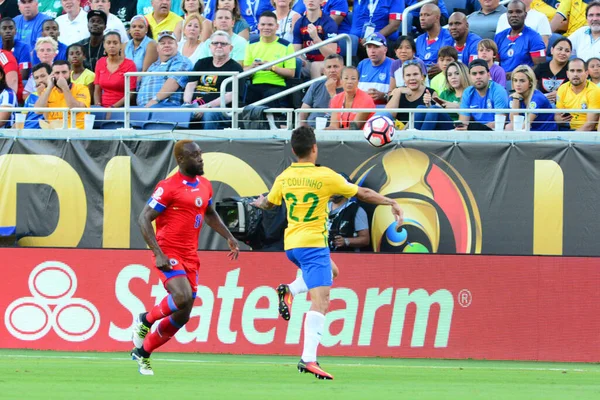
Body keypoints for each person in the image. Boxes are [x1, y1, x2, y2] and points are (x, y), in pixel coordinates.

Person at [250, 125, 403, 380]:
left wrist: (258, 202)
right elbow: (362, 193)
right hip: (313, 245)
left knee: (334, 271)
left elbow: (269, 202)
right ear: (314, 148)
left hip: (292, 246)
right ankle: (308, 359)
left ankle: (290, 289)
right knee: (321, 301)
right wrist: (391, 202)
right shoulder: (324, 176)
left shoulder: (284, 177)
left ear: (292, 150)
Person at [131, 139, 240, 376]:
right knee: (182, 296)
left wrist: (228, 236)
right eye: (194, 155)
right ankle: (146, 319)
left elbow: (209, 213)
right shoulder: (168, 186)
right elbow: (143, 218)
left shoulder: (205, 185)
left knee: (184, 313)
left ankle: (143, 353)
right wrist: (157, 253)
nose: (200, 158)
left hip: (191, 255)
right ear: (181, 159)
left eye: (200, 154)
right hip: (168, 251)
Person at [183, 30, 244, 129]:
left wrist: (207, 107)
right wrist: (187, 104)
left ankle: (207, 143)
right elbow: (190, 85)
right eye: (215, 43)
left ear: (230, 48)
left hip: (221, 109)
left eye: (223, 44)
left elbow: (231, 95)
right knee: (178, 112)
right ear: (210, 46)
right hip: (195, 105)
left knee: (209, 114)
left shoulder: (235, 68)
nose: (219, 46)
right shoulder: (201, 63)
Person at [243, 11, 295, 108]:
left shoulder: (286, 45)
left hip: (277, 86)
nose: (266, 27)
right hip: (255, 85)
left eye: (270, 24)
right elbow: (244, 71)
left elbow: (291, 73)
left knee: (270, 97)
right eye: (263, 24)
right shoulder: (250, 44)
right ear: (258, 26)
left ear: (277, 27)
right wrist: (253, 67)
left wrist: (272, 67)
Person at [137, 30, 193, 107]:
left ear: (177, 46)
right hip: (142, 108)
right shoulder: (153, 66)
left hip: (165, 106)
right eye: (162, 43)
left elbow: (173, 82)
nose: (166, 45)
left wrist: (155, 99)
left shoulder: (182, 61)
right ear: (157, 48)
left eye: (170, 43)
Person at [34, 60, 92, 129]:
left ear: (70, 72)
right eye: (57, 73)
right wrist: (49, 87)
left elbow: (75, 110)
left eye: (64, 72)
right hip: (54, 134)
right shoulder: (48, 91)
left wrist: (64, 88)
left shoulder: (81, 88)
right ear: (52, 75)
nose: (61, 76)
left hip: (76, 132)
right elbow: (38, 111)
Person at [494, 0, 546, 76]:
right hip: (502, 81)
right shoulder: (499, 37)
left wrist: (514, 75)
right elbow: (495, 63)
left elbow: (540, 66)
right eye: (510, 12)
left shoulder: (534, 37)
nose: (514, 15)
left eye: (518, 12)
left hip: (524, 81)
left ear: (525, 15)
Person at [415, 61, 471, 130]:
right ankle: (415, 137)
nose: (453, 77)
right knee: (421, 108)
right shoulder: (445, 93)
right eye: (449, 75)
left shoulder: (471, 93)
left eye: (457, 73)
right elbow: (435, 111)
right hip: (441, 125)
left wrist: (455, 107)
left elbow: (474, 117)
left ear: (464, 74)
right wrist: (428, 104)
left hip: (456, 126)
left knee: (434, 109)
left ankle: (420, 138)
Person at [457, 58, 509, 130]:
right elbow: (463, 123)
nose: (478, 77)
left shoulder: (498, 91)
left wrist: (474, 128)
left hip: (495, 133)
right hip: (474, 133)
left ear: (488, 74)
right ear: (469, 77)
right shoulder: (467, 92)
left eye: (481, 73)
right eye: (474, 74)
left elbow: (499, 123)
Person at [292, 0, 338, 79]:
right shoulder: (299, 23)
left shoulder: (329, 23)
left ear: (321, 1)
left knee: (315, 66)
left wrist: (316, 38)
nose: (311, 0)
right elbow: (296, 52)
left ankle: (315, 91)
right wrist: (301, 59)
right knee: (293, 64)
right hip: (308, 62)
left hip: (330, 63)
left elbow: (331, 56)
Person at [386, 60, 437, 129]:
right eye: (408, 75)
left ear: (422, 77)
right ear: (403, 78)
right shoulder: (397, 91)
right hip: (399, 134)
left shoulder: (431, 93)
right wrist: (399, 91)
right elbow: (388, 115)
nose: (412, 78)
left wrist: (428, 104)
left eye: (415, 74)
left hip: (423, 133)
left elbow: (433, 118)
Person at [328, 174, 370, 252]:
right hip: (322, 256)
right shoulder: (321, 207)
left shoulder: (356, 210)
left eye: (336, 187)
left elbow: (365, 239)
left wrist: (346, 241)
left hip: (346, 257)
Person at [94, 29, 136, 107]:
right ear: (104, 45)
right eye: (108, 43)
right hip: (102, 107)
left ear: (120, 45)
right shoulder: (100, 62)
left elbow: (131, 93)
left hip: (122, 108)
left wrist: (113, 108)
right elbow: (97, 89)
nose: (112, 45)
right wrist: (98, 106)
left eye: (115, 43)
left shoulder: (129, 64)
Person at [507, 64, 557, 131]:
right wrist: (516, 100)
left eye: (522, 81)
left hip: (546, 136)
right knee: (509, 127)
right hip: (528, 135)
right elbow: (513, 123)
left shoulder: (538, 98)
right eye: (515, 80)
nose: (518, 84)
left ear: (530, 83)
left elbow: (526, 125)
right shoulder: (515, 96)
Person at [299, 53, 343, 127]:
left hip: (335, 130)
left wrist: (332, 91)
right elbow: (304, 112)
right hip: (312, 129)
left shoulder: (349, 88)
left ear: (343, 68)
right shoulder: (316, 85)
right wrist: (302, 130)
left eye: (335, 66)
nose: (332, 70)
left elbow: (344, 115)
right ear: (324, 71)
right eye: (329, 67)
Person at [556, 58, 600, 131]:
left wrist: (571, 138)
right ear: (567, 74)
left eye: (579, 71)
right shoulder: (562, 88)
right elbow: (557, 115)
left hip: (587, 132)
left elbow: (590, 125)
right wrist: (558, 119)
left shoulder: (595, 91)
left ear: (586, 74)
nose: (575, 74)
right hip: (567, 127)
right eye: (572, 71)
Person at [327, 66, 375, 130]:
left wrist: (335, 130)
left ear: (358, 81)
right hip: (340, 137)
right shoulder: (336, 99)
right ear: (341, 81)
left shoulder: (366, 99)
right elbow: (333, 125)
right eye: (346, 78)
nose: (349, 81)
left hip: (361, 137)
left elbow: (355, 127)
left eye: (353, 78)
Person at [416, 3, 454, 76]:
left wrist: (442, 67)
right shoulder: (419, 39)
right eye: (420, 15)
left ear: (437, 17)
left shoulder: (449, 37)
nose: (422, 18)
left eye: (427, 15)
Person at [357, 33, 393, 105]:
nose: (372, 51)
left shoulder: (394, 65)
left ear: (385, 49)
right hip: (361, 108)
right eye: (369, 47)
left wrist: (384, 96)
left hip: (384, 109)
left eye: (376, 47)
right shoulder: (362, 64)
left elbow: (400, 95)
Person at [533, 37, 571, 103]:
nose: (563, 53)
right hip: (541, 105)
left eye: (567, 51)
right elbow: (531, 88)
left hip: (565, 106)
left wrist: (561, 94)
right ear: (552, 50)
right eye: (560, 49)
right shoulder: (541, 67)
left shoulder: (572, 69)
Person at [23, 62, 51, 129]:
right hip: (25, 132)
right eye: (36, 78)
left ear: (50, 76)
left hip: (42, 134)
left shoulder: (56, 94)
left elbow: (48, 120)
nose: (40, 80)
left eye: (43, 76)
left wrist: (41, 94)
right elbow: (23, 118)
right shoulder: (30, 96)